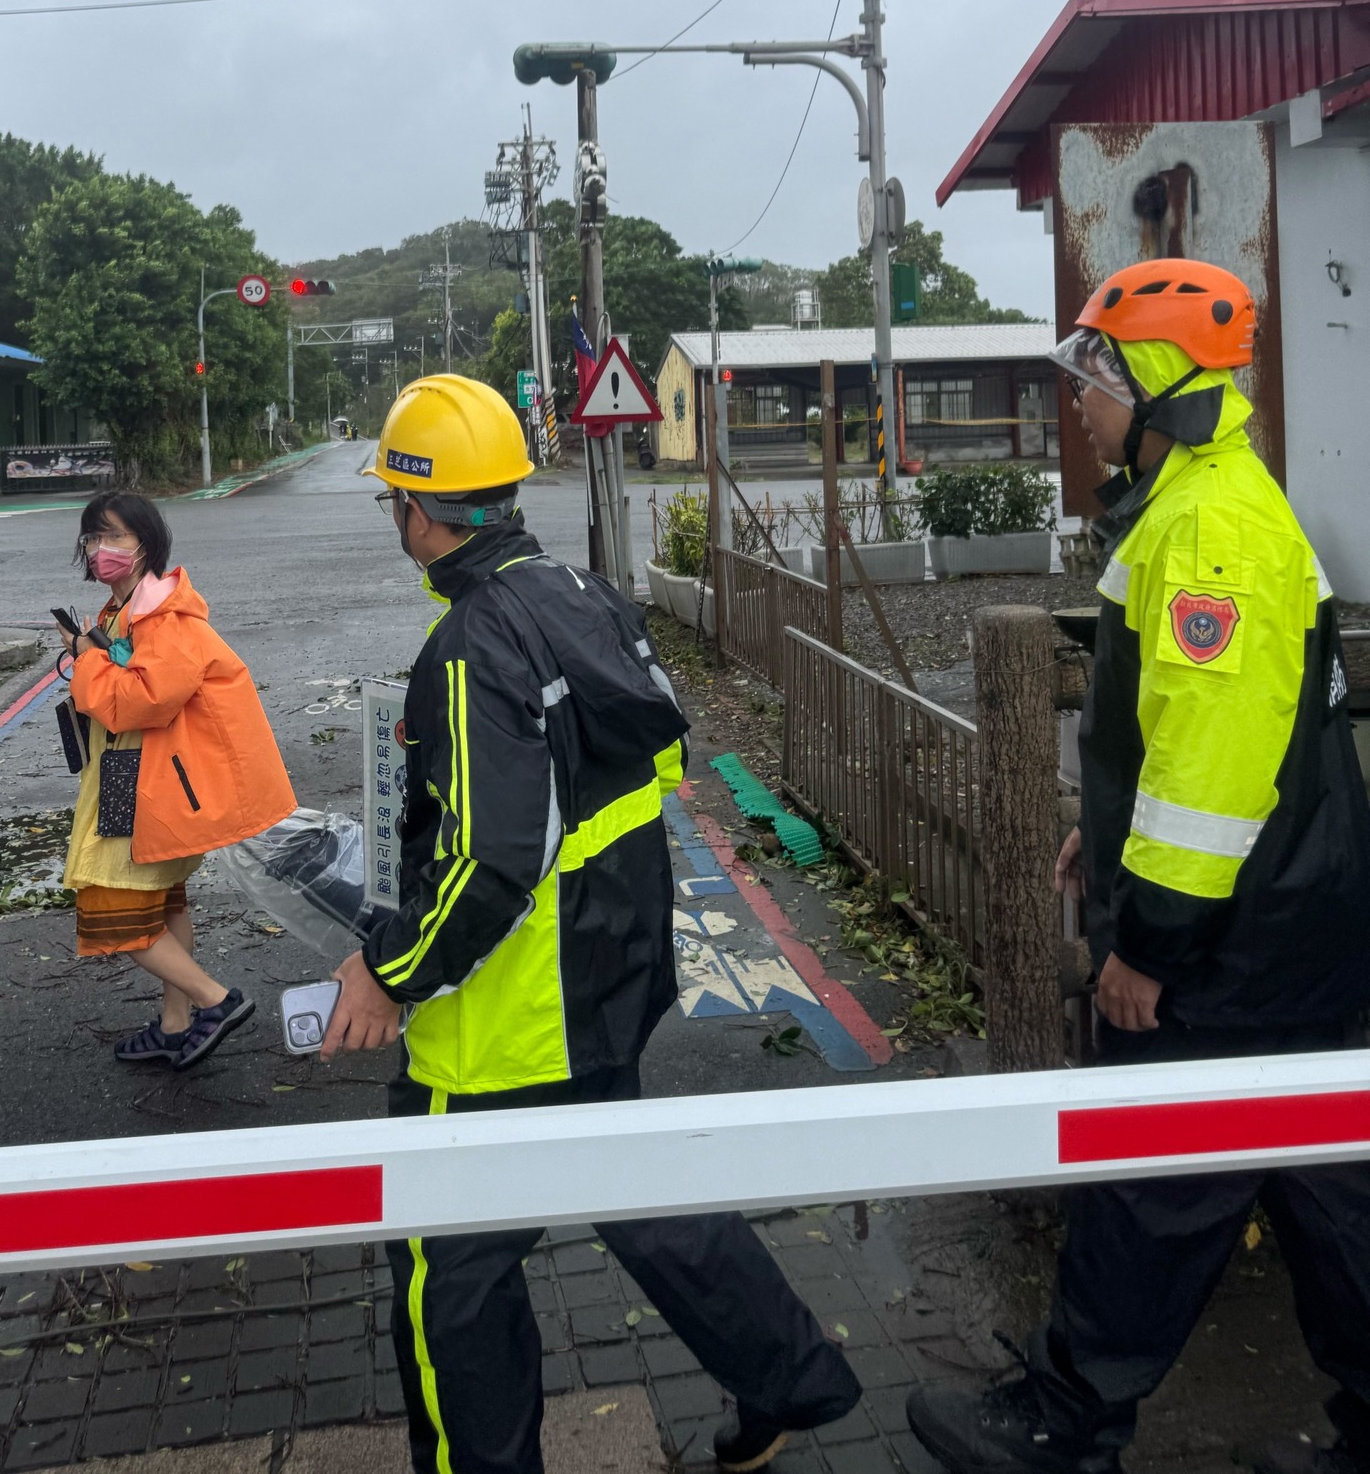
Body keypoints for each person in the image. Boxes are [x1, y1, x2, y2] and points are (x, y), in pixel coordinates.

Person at [320, 374, 860, 1474]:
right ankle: (789, 1377)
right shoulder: (585, 594)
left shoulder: (470, 646)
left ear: (418, 510)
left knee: (450, 1283)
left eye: (392, 500)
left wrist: (389, 969)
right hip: (608, 979)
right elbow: (654, 769)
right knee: (639, 1193)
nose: (394, 518)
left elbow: (489, 862)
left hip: (504, 1023)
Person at [907, 259, 1370, 1474]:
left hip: (1226, 948)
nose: (1079, 400)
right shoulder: (1202, 502)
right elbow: (1189, 737)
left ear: (1159, 384)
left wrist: (1147, 943)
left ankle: (1065, 1423)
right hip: (1283, 926)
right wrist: (1106, 837)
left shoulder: (1210, 528)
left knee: (1152, 1182)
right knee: (1328, 1194)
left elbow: (1211, 777)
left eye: (1097, 376)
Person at [56, 490, 297, 1071]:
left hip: (148, 784)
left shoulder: (167, 619)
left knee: (111, 910)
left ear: (146, 543)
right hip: (135, 777)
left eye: (115, 536)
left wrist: (86, 660)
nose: (102, 549)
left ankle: (216, 1001)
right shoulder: (125, 611)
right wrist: (92, 650)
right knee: (165, 906)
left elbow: (140, 701)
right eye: (93, 537)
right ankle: (174, 1023)